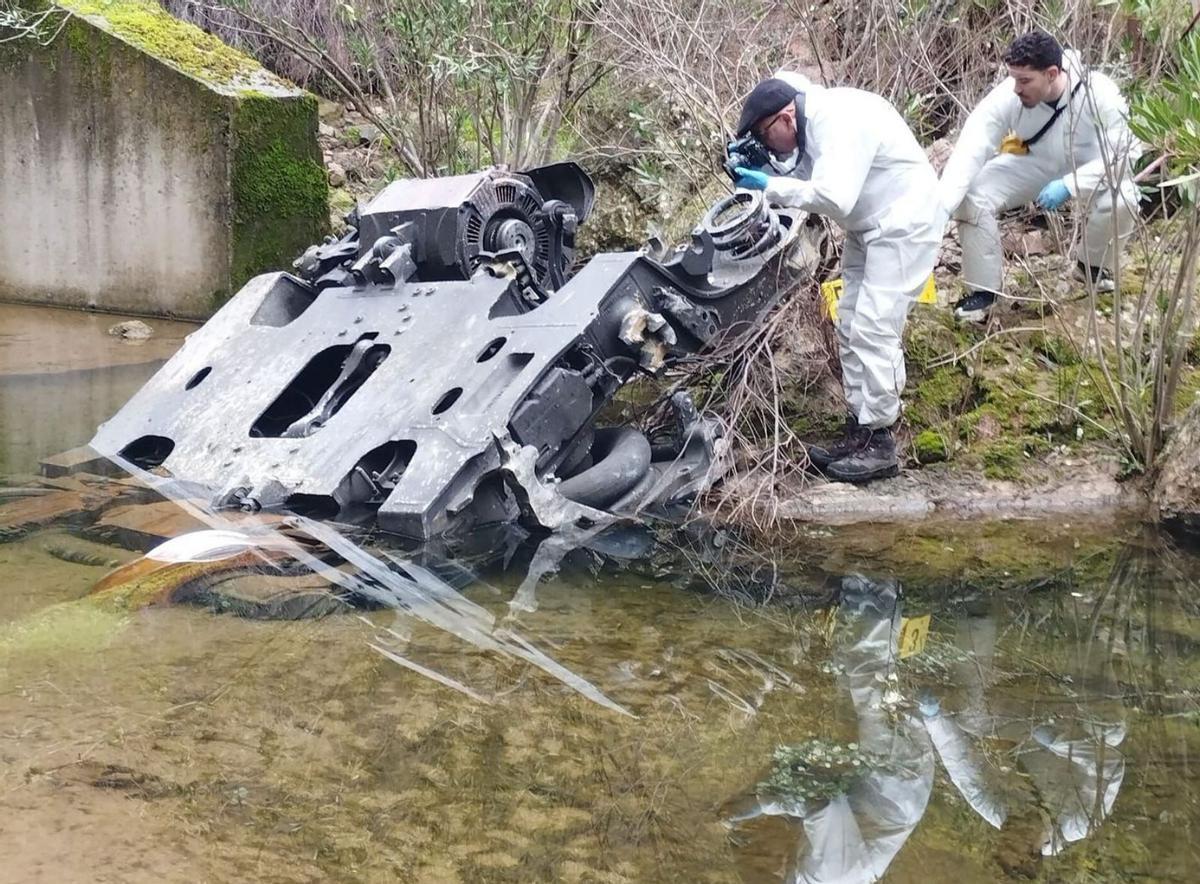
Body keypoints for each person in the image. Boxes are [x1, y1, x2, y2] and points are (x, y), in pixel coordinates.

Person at [732, 72, 943, 483]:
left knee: (874, 326)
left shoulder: (838, 120)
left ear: (786, 118)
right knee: (848, 322)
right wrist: (760, 170)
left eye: (763, 133)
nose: (764, 142)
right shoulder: (811, 126)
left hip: (905, 221)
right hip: (870, 225)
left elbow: (833, 195)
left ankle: (881, 441)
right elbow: (812, 180)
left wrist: (770, 186)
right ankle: (861, 427)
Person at [940, 31, 1142, 323]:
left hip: (1090, 168)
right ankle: (983, 292)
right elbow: (973, 145)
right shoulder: (1008, 97)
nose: (1016, 89)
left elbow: (1124, 154)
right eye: (1013, 79)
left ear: (1051, 74)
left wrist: (1071, 185)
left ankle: (1093, 267)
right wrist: (943, 204)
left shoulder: (1100, 93)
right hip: (1034, 162)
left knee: (1126, 197)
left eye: (1025, 81)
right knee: (974, 196)